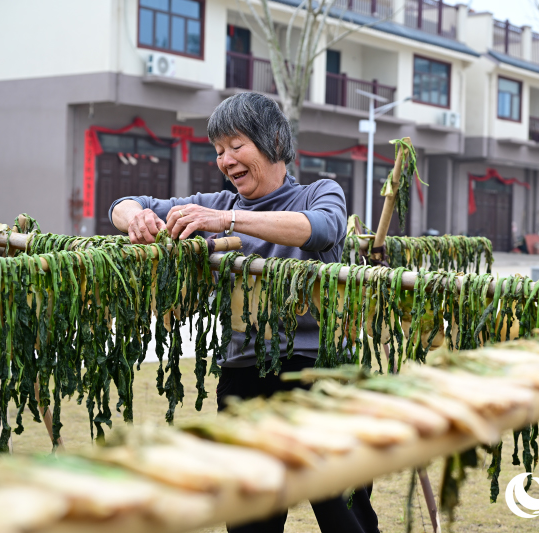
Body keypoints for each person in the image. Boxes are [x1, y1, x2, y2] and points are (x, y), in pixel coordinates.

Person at [109, 92, 379, 533]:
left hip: (320, 373)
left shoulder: (317, 193)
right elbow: (124, 204)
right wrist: (134, 218)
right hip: (244, 373)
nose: (225, 160)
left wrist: (227, 222)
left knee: (342, 510)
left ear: (274, 140)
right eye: (218, 151)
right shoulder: (216, 203)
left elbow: (321, 229)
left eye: (236, 146)